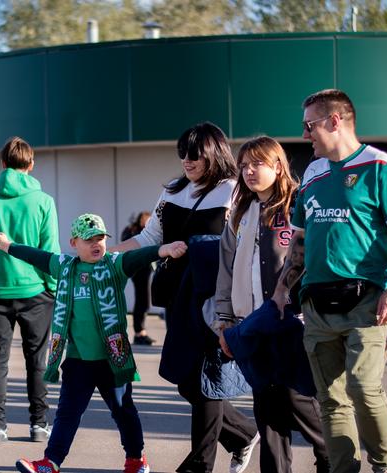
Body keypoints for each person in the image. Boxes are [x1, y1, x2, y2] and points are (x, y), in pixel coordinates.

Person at [272, 89, 387, 473]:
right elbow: (300, 241)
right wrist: (283, 288)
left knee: (362, 387)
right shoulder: (313, 173)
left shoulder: (381, 167)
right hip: (316, 304)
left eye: (309, 126)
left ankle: (384, 465)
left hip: (367, 301)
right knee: (330, 399)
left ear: (334, 121)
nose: (305, 135)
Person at [111, 122, 257, 473]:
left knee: (206, 380)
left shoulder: (233, 191)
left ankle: (199, 465)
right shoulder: (173, 191)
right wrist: (106, 255)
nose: (187, 161)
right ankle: (243, 433)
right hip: (178, 298)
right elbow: (149, 238)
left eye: (195, 155)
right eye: (182, 154)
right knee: (187, 381)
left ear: (214, 154)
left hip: (214, 300)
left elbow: (247, 243)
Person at [0, 214, 187, 473]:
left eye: (100, 238)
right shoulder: (64, 266)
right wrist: (8, 246)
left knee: (123, 411)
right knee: (67, 414)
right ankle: (50, 463)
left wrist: (163, 249)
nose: (97, 244)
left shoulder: (114, 265)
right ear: (74, 242)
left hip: (112, 358)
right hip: (78, 360)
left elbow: (139, 257)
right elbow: (37, 256)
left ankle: (136, 459)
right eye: (89, 240)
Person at [215, 136, 329, 473]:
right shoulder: (240, 212)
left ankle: (332, 457)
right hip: (250, 324)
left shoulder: (300, 203)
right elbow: (226, 269)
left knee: (299, 400)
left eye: (257, 164)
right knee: (267, 412)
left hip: (293, 323)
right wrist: (224, 321)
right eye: (244, 165)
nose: (248, 171)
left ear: (278, 166)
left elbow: (311, 257)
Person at [0, 136, 59, 444]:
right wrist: (53, 287)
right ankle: (38, 423)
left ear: (3, 164)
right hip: (35, 291)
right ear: (31, 165)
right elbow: (50, 249)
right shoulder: (43, 201)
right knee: (37, 359)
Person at [121, 211, 154, 345]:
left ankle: (141, 332)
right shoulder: (136, 233)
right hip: (139, 271)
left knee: (143, 301)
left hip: (143, 270)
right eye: (148, 221)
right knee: (143, 301)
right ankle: (139, 332)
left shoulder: (141, 232)